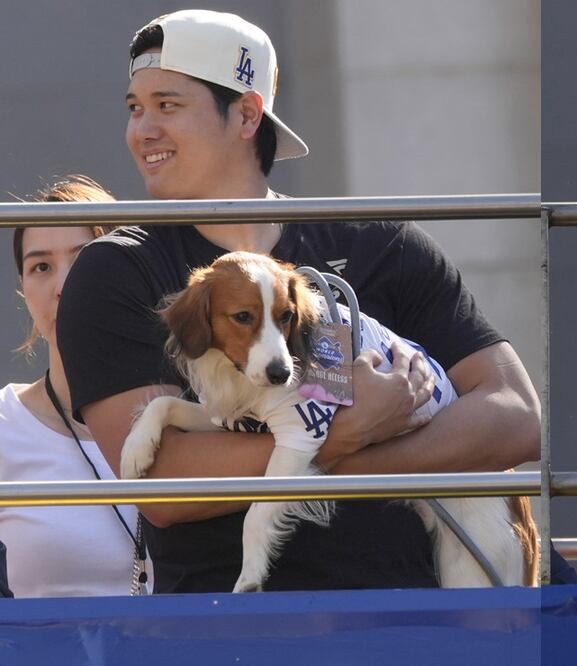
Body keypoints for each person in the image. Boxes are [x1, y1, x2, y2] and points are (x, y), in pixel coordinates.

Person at [56, 10, 540, 593]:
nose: (143, 130)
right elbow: (163, 485)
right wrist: (343, 435)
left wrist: (330, 455)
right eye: (135, 108)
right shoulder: (116, 269)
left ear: (247, 114)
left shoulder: (378, 240)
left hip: (413, 620)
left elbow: (515, 416)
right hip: (226, 631)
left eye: (167, 105)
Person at [0, 176, 143, 597]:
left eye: (85, 262)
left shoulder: (194, 415)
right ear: (24, 290)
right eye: (40, 267)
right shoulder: (6, 424)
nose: (63, 286)